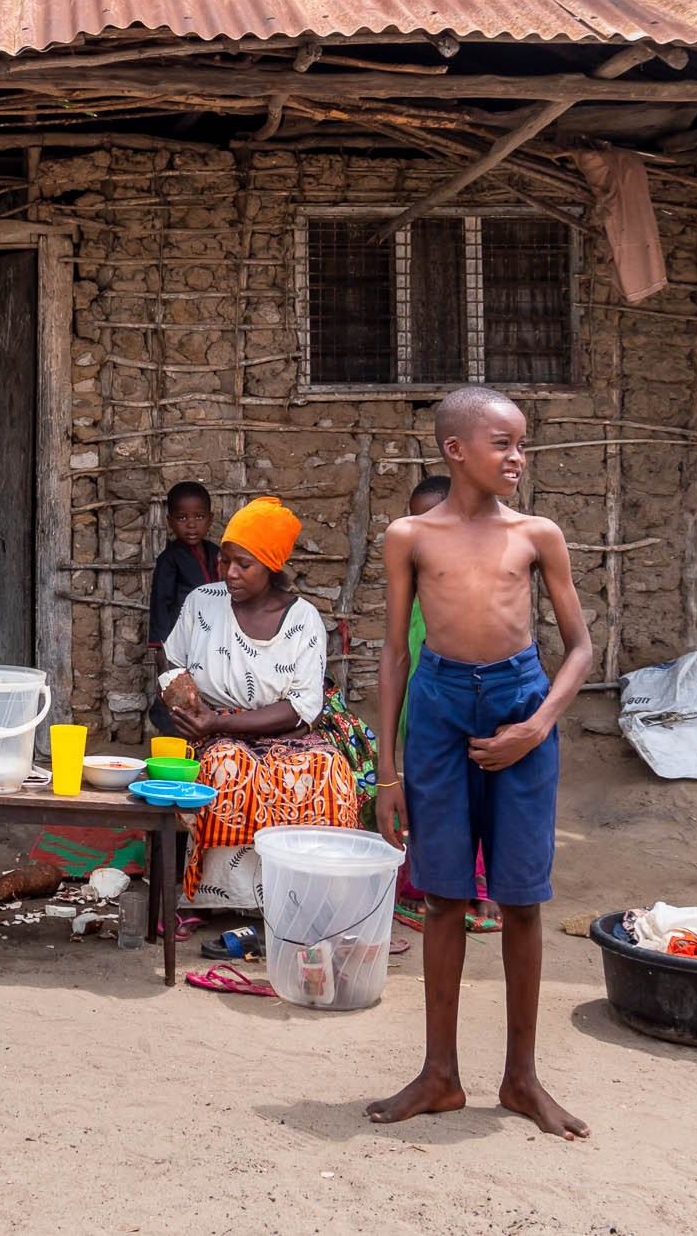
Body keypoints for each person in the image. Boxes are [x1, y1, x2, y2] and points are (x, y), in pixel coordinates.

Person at [369, 386, 593, 1141]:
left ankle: (522, 1078)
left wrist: (535, 726)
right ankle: (440, 1075)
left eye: (522, 443)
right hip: (437, 708)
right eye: (504, 443)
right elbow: (394, 654)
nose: (518, 457)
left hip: (519, 700)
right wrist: (388, 772)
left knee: (522, 898)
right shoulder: (410, 536)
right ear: (456, 450)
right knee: (442, 895)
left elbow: (580, 648)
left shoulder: (537, 535)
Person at [157, 496, 359, 908]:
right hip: (212, 728)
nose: (230, 572)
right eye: (224, 561)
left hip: (284, 729)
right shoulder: (203, 603)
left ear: (271, 566)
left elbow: (302, 707)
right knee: (227, 765)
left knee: (327, 769)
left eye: (244, 564)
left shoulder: (302, 619)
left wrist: (219, 723)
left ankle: (306, 900)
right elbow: (170, 657)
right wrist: (184, 700)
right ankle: (222, 899)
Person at [394, 474, 500, 930]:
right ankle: (429, 886)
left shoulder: (479, 582)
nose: (422, 535)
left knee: (478, 798)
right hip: (422, 709)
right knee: (431, 800)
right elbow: (399, 653)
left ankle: (482, 888)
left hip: (474, 708)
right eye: (415, 522)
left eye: (433, 522)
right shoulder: (409, 586)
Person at [148, 481, 220, 736]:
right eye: (182, 518)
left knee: (207, 688)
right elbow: (161, 603)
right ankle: (172, 735)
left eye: (199, 517)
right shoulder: (169, 559)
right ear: (170, 521)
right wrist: (161, 648)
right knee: (176, 689)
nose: (191, 525)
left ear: (210, 519)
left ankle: (206, 734)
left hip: (212, 637)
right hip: (180, 639)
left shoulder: (217, 554)